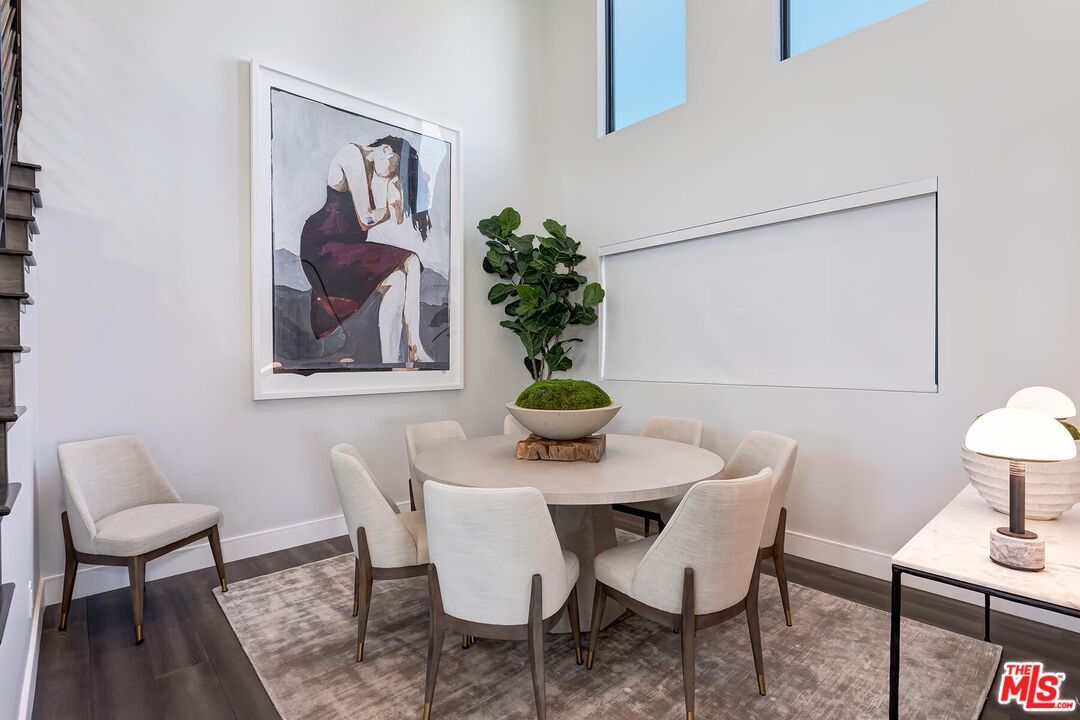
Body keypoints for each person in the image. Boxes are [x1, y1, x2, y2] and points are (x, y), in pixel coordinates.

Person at [300, 135, 434, 366]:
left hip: (347, 247)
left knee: (397, 281)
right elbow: (366, 219)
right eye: (394, 169)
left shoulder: (372, 171)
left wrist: (395, 194)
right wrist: (390, 208)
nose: (391, 175)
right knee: (411, 259)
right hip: (325, 246)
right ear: (386, 150)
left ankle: (391, 362)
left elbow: (396, 218)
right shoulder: (352, 154)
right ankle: (415, 348)